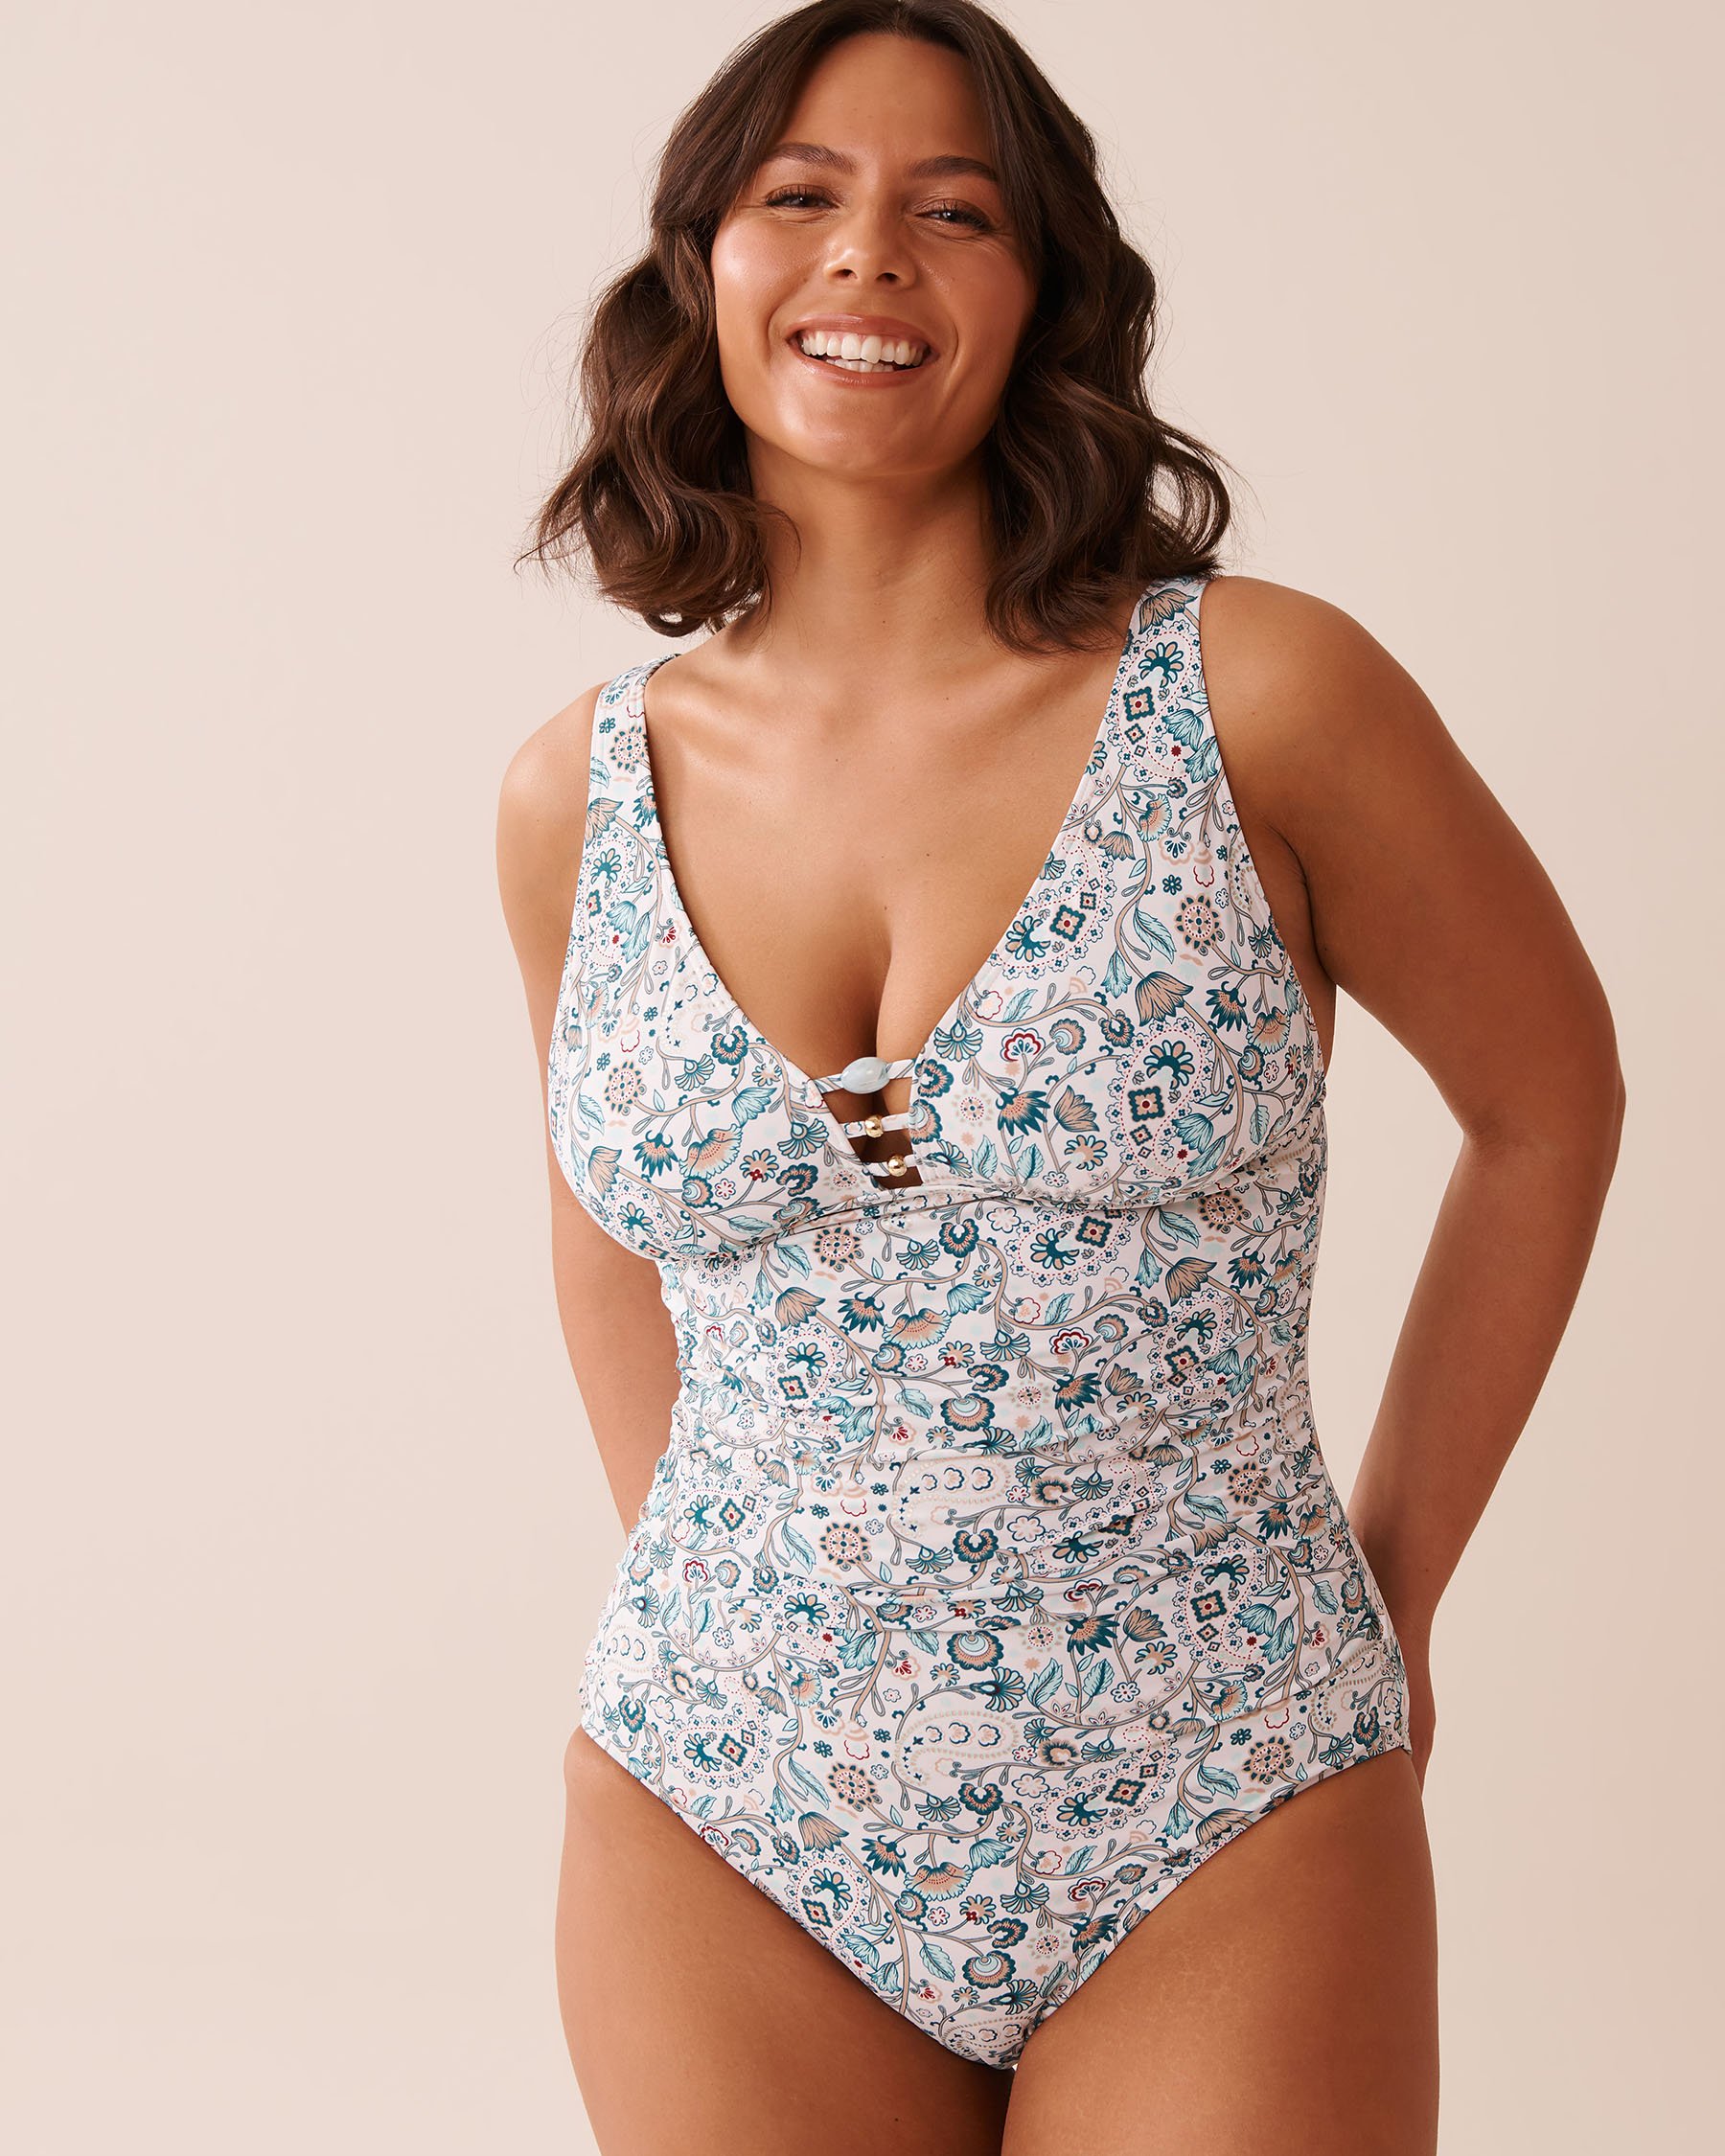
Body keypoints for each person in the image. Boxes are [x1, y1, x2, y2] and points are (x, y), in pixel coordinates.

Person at [496, 5, 1624, 2148]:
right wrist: (760, 1612)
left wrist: (1394, 1587)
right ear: (702, 267)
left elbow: (1548, 1100)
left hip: (1225, 1778)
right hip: (722, 1792)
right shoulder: (577, 794)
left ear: (1044, 292)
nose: (868, 254)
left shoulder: (1262, 694)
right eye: (799, 197)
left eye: (955, 211)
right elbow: (607, 1247)